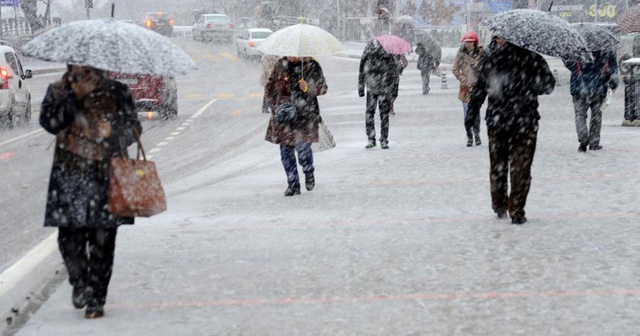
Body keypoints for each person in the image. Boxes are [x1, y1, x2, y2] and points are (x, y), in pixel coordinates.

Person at [40, 65, 141, 318]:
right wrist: (75, 99)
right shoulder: (58, 91)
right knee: (68, 238)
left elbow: (134, 128)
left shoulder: (117, 91)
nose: (81, 68)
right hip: (69, 176)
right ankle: (79, 281)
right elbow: (50, 123)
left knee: (103, 241)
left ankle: (97, 297)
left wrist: (111, 134)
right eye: (76, 64)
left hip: (106, 176)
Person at [466, 37, 555, 225]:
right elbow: (548, 86)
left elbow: (480, 88)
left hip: (497, 120)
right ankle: (517, 210)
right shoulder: (534, 59)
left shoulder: (493, 59)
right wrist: (530, 83)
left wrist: (472, 111)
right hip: (525, 120)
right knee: (521, 167)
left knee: (498, 164)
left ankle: (499, 204)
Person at [265, 56, 328, 196]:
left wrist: (308, 88)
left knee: (303, 149)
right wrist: (275, 107)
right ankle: (293, 183)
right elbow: (269, 88)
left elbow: (323, 88)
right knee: (285, 152)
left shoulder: (312, 65)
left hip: (305, 116)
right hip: (285, 118)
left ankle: (308, 171)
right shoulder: (280, 64)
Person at [564, 49, 619, 152]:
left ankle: (583, 139)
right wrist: (613, 84)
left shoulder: (577, 48)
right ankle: (594, 143)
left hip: (579, 87)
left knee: (580, 115)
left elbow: (568, 63)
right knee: (596, 117)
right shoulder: (607, 49)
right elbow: (613, 69)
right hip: (598, 87)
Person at [358, 38, 400, 149]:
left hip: (373, 89)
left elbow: (361, 73)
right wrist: (394, 91)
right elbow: (394, 75)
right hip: (383, 89)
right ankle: (383, 139)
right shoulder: (387, 56)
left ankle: (372, 139)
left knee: (370, 114)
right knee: (384, 115)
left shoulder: (367, 55)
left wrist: (361, 88)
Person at [452, 31, 485, 147]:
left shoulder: (481, 54)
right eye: (466, 42)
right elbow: (455, 69)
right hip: (465, 89)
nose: (468, 44)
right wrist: (462, 78)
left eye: (470, 42)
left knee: (476, 113)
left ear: (475, 42)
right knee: (467, 113)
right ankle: (469, 136)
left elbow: (486, 67)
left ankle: (477, 134)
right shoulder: (461, 54)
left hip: (477, 88)